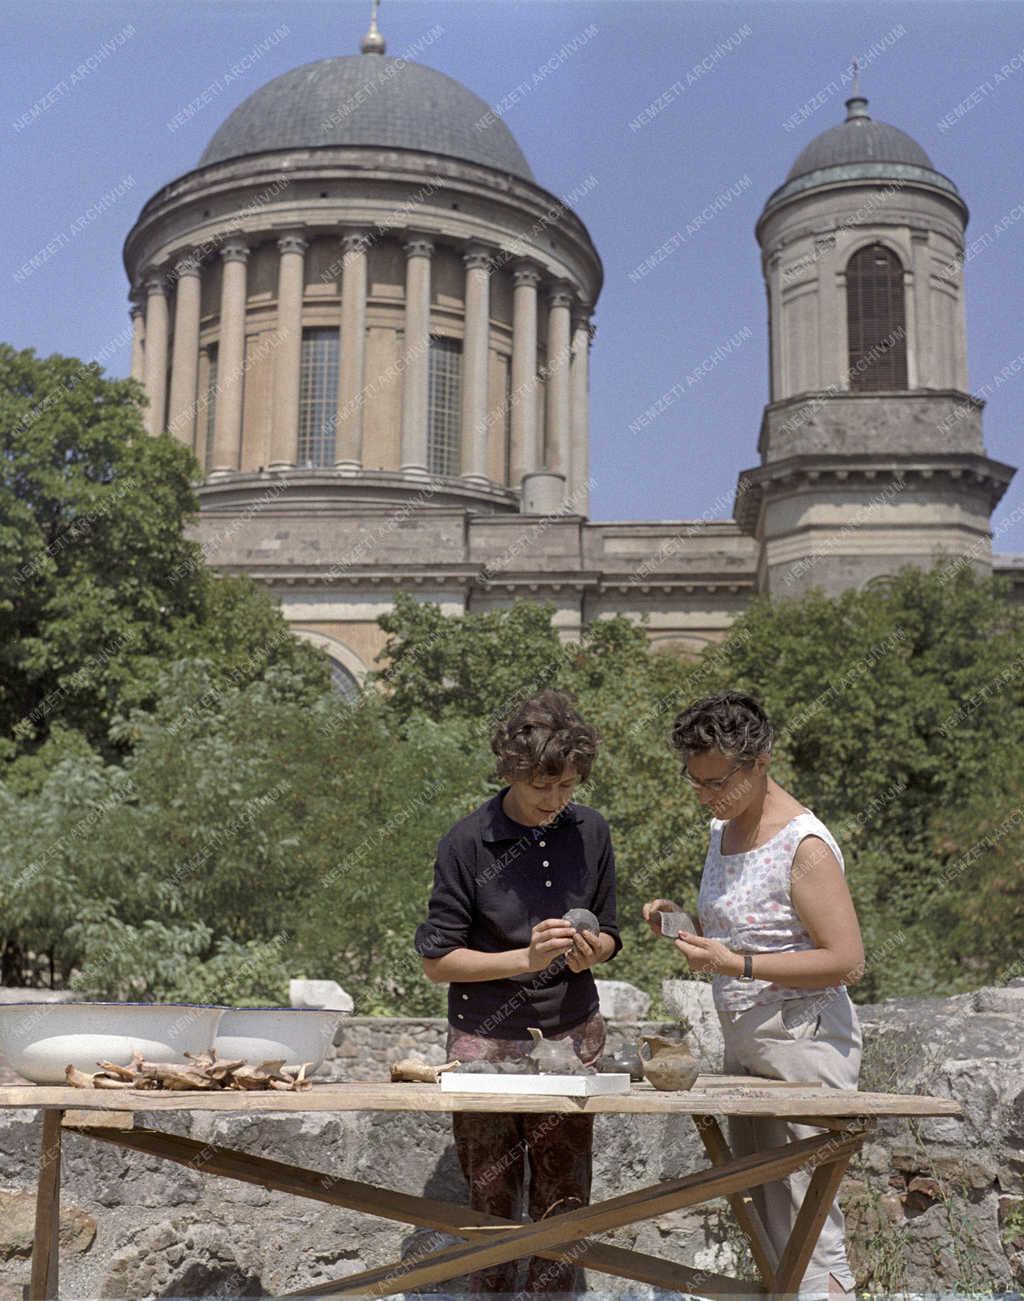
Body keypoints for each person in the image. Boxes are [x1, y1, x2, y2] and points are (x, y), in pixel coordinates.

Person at [642, 690, 864, 1300]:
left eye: (718, 782)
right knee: (763, 1218)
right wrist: (682, 922)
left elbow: (846, 961)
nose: (707, 796)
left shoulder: (804, 845)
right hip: (745, 1038)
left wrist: (735, 964)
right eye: (696, 782)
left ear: (760, 763)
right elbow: (746, 925)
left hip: (803, 1044)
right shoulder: (721, 830)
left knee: (807, 1218)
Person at [414, 688, 621, 1294]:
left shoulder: (590, 831)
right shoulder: (467, 842)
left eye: (567, 788)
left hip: (572, 1031)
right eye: (541, 789)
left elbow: (610, 931)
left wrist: (593, 950)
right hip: (485, 1041)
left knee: (565, 1202)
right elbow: (437, 961)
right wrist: (523, 959)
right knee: (490, 1202)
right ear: (509, 771)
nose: (555, 802)